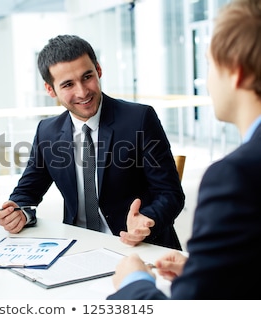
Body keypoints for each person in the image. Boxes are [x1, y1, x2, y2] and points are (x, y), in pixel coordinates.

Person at [108, 0, 261, 300]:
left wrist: (134, 282)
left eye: (209, 63)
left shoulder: (235, 177)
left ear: (236, 71)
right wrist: (205, 269)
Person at [0, 34, 185, 249]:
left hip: (137, 246)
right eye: (68, 84)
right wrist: (18, 212)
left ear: (99, 70)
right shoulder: (47, 131)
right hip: (77, 246)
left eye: (87, 77)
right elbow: (26, 193)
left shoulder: (139, 119)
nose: (83, 92)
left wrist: (147, 220)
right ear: (50, 90)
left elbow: (170, 194)